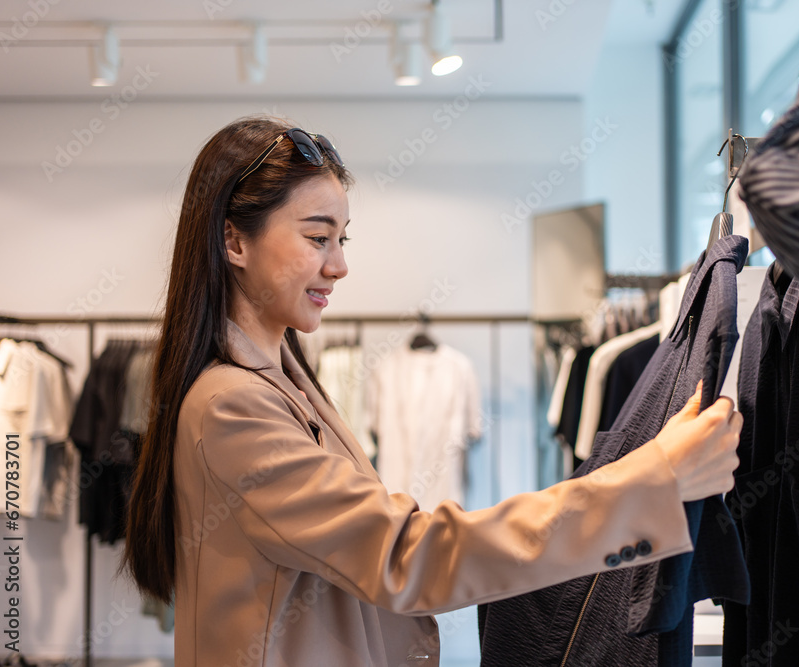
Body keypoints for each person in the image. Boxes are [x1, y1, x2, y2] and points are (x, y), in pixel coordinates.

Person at [120, 116, 742, 666]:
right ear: (234, 242)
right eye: (317, 238)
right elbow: (405, 557)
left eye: (342, 239)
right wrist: (652, 482)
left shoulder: (282, 382)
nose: (338, 265)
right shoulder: (235, 405)